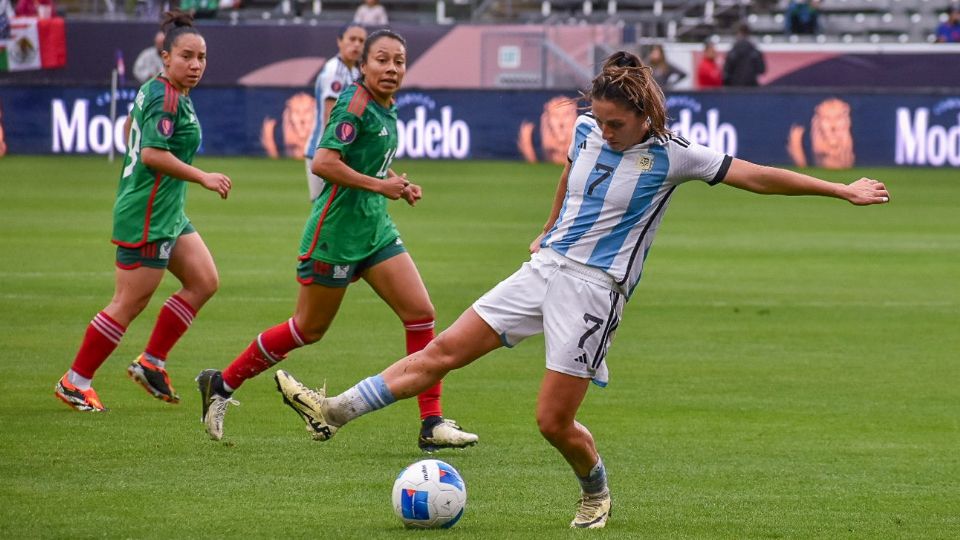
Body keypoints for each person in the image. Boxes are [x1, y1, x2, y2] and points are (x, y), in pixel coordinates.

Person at [273, 50, 891, 529]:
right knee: (443, 353)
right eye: (600, 118)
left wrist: (840, 190)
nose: (607, 130)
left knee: (551, 421)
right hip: (545, 270)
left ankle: (595, 489)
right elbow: (572, 175)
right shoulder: (587, 128)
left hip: (596, 291)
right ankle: (334, 411)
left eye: (618, 123)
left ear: (645, 116)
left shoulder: (674, 155)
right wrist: (546, 231)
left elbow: (757, 175)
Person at [196, 29, 478, 453]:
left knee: (421, 314)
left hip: (375, 231)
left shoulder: (386, 106)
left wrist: (395, 185)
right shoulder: (354, 103)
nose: (391, 68)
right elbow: (324, 163)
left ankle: (431, 422)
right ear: (362, 66)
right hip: (335, 237)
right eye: (381, 60)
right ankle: (221, 383)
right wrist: (378, 186)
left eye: (399, 61)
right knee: (306, 329)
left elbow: (366, 162)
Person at [54, 11, 232, 412]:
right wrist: (201, 176)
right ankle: (75, 381)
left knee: (204, 280)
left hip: (167, 210)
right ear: (165, 57)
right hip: (148, 212)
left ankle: (151, 362)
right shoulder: (165, 95)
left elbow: (133, 132)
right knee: (127, 303)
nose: (196, 64)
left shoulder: (166, 93)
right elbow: (152, 153)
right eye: (187, 56)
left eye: (201, 57)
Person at [304, 23, 366, 200]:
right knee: (323, 213)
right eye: (352, 39)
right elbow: (331, 116)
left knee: (337, 214)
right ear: (340, 41)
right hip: (324, 151)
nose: (356, 45)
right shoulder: (335, 71)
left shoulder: (354, 72)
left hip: (339, 152)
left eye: (361, 41)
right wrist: (337, 151)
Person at [723, 23, 766, 87]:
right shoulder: (755, 51)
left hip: (734, 89)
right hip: (751, 88)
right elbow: (761, 70)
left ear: (738, 33)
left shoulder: (732, 51)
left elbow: (726, 70)